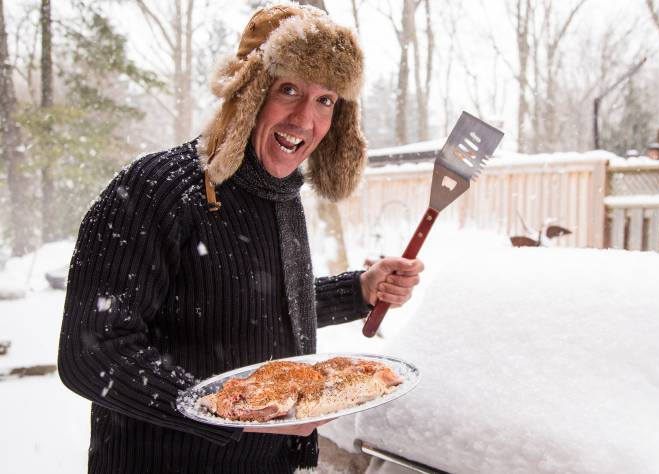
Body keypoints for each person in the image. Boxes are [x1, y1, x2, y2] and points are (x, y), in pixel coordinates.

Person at [57, 4, 424, 473]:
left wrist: (358, 290)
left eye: (325, 99)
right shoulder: (153, 190)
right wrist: (225, 410)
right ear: (248, 91)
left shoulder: (279, 197)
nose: (304, 119)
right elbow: (93, 353)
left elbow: (245, 303)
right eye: (288, 89)